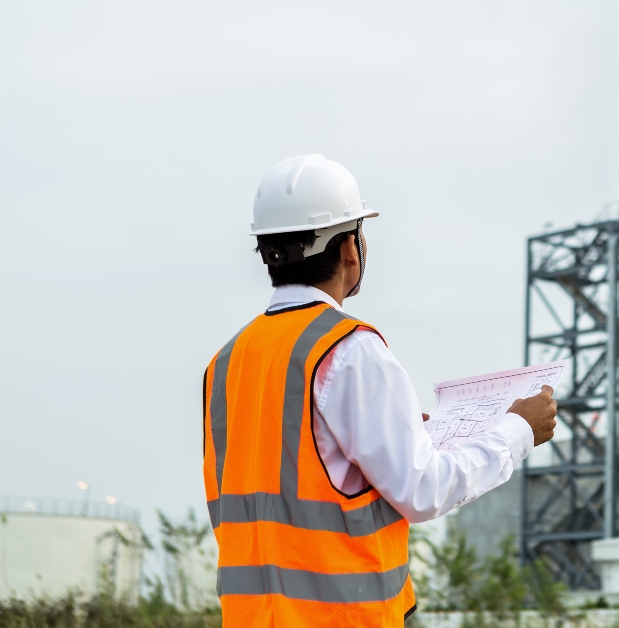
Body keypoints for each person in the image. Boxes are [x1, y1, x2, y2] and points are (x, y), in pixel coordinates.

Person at [201, 154, 557, 626]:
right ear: (350, 248)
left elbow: (291, 483)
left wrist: (404, 438)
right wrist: (519, 430)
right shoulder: (348, 350)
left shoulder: (226, 362)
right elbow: (423, 491)